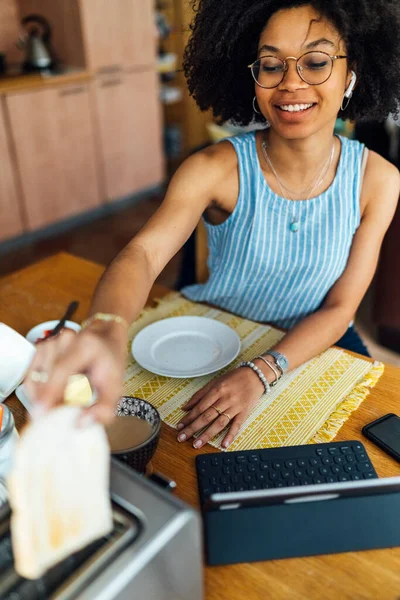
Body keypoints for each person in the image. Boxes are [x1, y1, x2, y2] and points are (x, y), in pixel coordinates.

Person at [26, 0, 400, 451]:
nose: (291, 83)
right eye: (270, 65)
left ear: (351, 75)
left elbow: (341, 308)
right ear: (252, 78)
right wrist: (105, 328)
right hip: (213, 336)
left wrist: (262, 372)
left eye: (317, 62)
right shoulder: (214, 169)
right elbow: (143, 254)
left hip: (313, 341)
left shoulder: (378, 180)